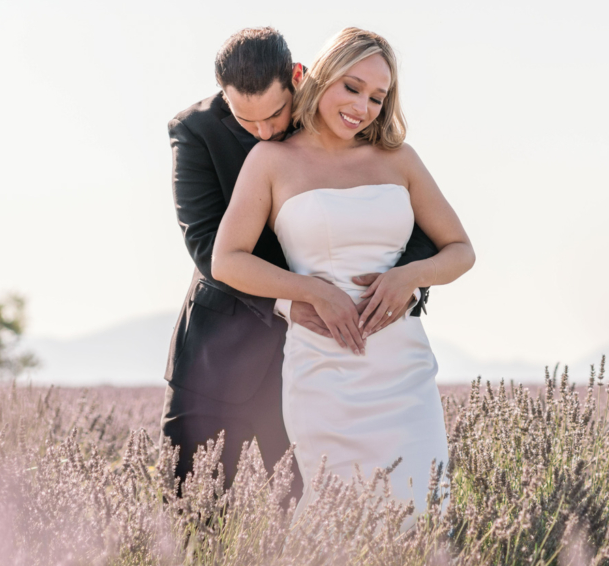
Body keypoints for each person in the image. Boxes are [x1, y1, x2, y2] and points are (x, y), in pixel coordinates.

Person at [211, 28, 475, 514]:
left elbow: (460, 251)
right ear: (321, 76)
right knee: (338, 519)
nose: (363, 106)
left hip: (404, 372)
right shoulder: (271, 160)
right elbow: (227, 260)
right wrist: (310, 291)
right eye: (352, 87)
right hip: (323, 371)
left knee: (421, 513)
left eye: (378, 96)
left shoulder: (400, 160)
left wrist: (408, 277)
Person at [162, 27, 439, 489]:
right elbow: (210, 248)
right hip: (219, 355)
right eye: (246, 122)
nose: (265, 133)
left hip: (325, 365)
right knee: (190, 518)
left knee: (308, 525)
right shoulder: (194, 131)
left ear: (297, 77)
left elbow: (406, 217)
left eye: (275, 114)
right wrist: (292, 301)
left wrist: (401, 281)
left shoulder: (342, 112)